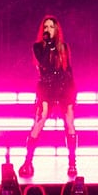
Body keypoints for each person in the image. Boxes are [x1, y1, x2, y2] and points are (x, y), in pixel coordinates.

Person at [18, 16, 79, 179]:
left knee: (69, 122)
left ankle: (72, 163)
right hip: (47, 86)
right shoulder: (38, 47)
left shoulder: (64, 47)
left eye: (51, 27)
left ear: (56, 29)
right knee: (40, 119)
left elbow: (68, 69)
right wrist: (49, 45)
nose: (48, 29)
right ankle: (28, 161)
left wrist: (73, 91)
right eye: (45, 26)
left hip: (64, 86)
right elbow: (44, 63)